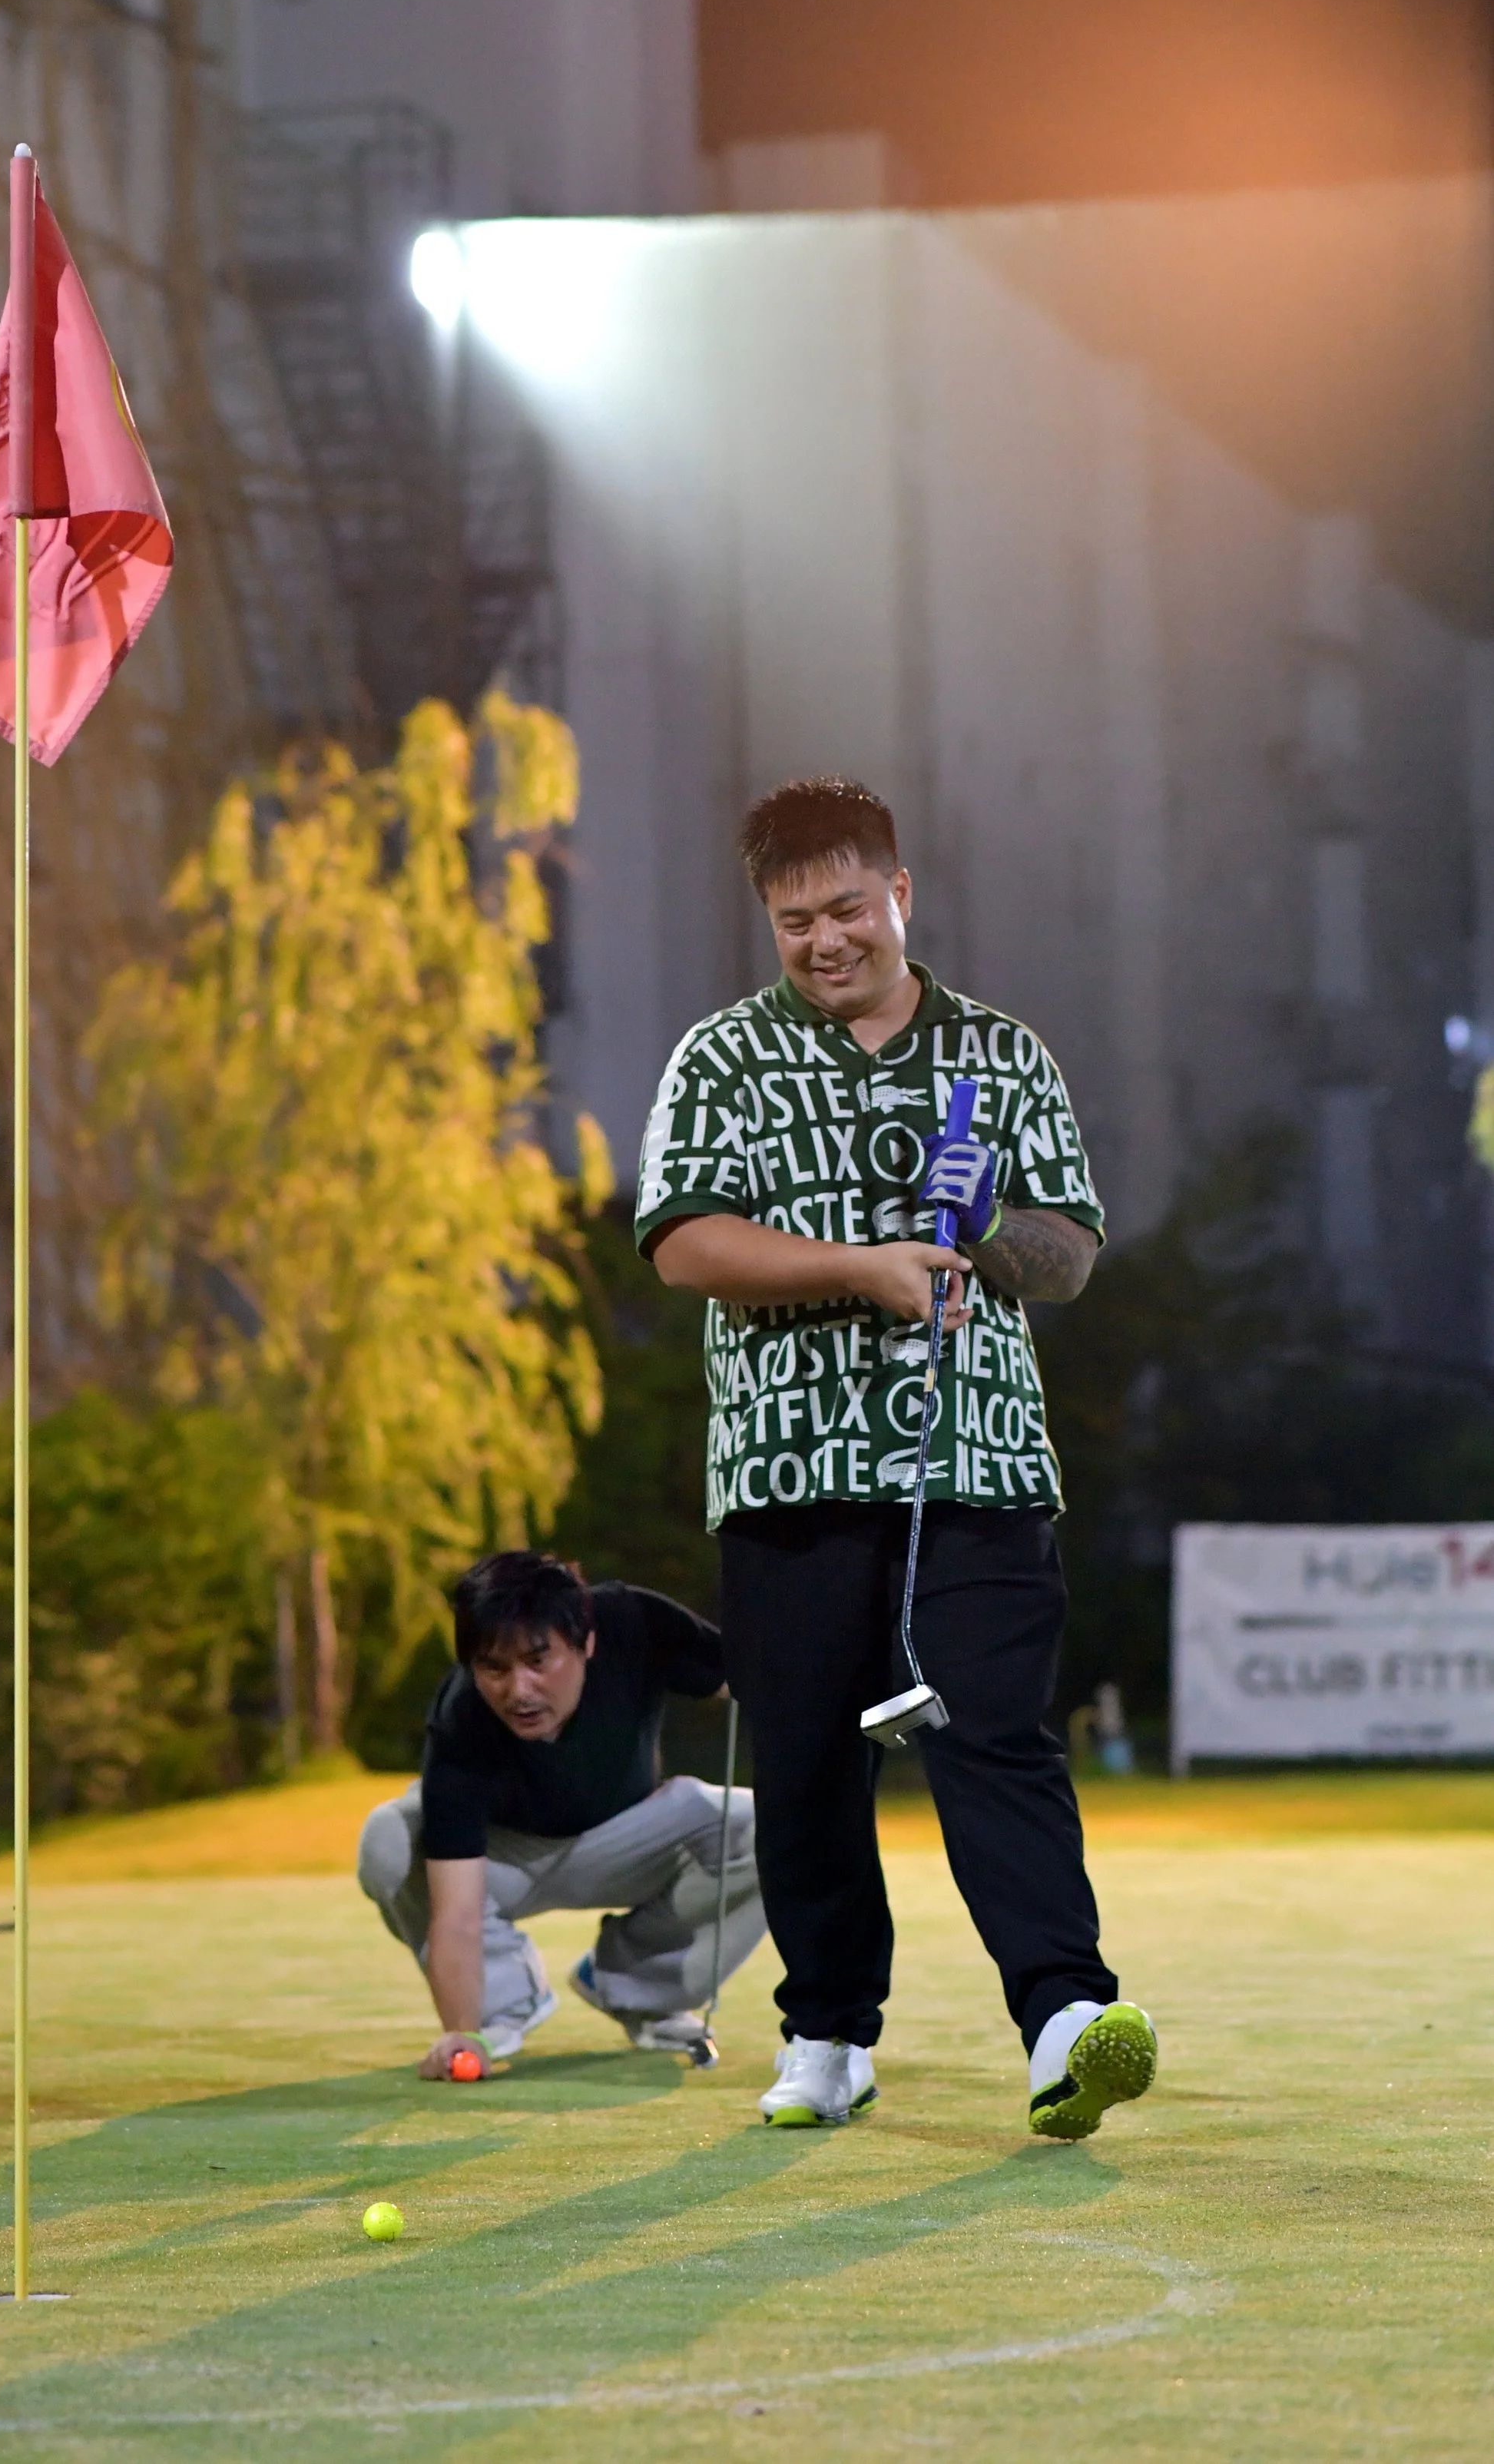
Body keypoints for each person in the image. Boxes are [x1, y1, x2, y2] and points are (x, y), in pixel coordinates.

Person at [635, 777, 1155, 2140]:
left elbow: (1073, 1257)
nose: (824, 940)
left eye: (848, 908)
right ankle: (827, 2033)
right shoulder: (723, 1059)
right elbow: (686, 1240)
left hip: (974, 1467)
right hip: (789, 1471)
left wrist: (989, 1233)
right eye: (795, 918)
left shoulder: (1000, 1051)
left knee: (994, 1738)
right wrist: (863, 1272)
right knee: (805, 1761)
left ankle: (1062, 2018)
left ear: (899, 894)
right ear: (770, 918)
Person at [359, 1550, 764, 2076]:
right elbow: (456, 1914)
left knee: (762, 1824)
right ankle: (496, 2012)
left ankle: (639, 1987)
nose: (518, 1690)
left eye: (537, 1660)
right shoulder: (461, 1716)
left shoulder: (631, 1620)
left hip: (628, 1839)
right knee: (387, 1838)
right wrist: (461, 2032)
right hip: (505, 1861)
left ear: (586, 1642)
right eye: (494, 1667)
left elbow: (758, 1678)